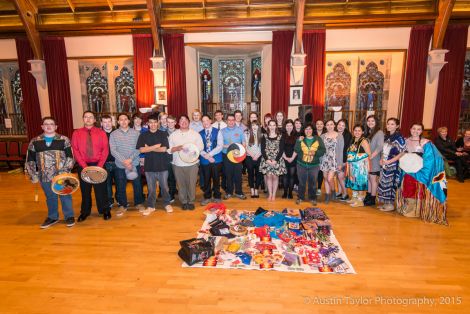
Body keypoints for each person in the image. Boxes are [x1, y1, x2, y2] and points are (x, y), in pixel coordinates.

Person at [25, 117, 75, 228]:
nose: (49, 126)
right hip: (44, 176)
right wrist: (33, 174)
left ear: (56, 126)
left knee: (65, 195)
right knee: (50, 197)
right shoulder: (35, 141)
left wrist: (63, 172)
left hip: (62, 175)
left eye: (51, 124)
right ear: (42, 126)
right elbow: (30, 159)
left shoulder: (64, 139)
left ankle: (69, 216)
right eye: (46, 124)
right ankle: (52, 217)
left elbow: (70, 158)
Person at [396, 123, 448, 224]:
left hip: (419, 172)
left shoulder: (426, 143)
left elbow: (433, 158)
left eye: (418, 129)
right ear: (410, 129)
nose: (416, 131)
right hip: (406, 171)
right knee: (407, 189)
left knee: (417, 190)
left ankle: (415, 210)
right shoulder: (404, 141)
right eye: (414, 128)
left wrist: (421, 169)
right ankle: (408, 207)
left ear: (421, 131)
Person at [71, 111, 111, 222]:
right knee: (85, 190)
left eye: (91, 117)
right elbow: (76, 150)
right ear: (83, 119)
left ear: (94, 120)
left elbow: (105, 150)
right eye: (86, 117)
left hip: (99, 165)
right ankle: (85, 212)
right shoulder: (76, 133)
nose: (88, 119)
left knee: (101, 190)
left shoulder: (101, 133)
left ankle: (105, 210)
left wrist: (99, 166)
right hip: (83, 166)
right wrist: (84, 166)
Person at [136, 113, 174, 215]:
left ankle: (167, 204)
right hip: (149, 166)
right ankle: (151, 206)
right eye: (151, 123)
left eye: (155, 122)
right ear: (148, 123)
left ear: (158, 123)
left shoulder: (163, 134)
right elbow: (141, 150)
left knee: (165, 187)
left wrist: (149, 147)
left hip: (162, 165)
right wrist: (155, 146)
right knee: (151, 188)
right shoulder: (143, 135)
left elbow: (164, 149)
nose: (153, 124)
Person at [109, 113, 145, 216]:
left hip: (134, 163)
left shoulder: (136, 133)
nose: (124, 121)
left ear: (129, 121)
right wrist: (124, 161)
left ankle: (138, 203)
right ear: (118, 122)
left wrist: (130, 160)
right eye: (121, 120)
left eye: (125, 119)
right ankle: (122, 205)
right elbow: (113, 150)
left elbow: (139, 148)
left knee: (137, 184)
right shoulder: (113, 134)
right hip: (120, 165)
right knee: (120, 186)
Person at [168, 115, 204, 210]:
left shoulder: (195, 134)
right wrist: (176, 148)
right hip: (177, 164)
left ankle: (191, 201)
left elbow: (201, 147)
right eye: (181, 120)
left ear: (189, 122)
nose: (183, 122)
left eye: (185, 120)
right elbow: (168, 149)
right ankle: (184, 201)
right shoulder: (173, 135)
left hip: (192, 163)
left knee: (191, 183)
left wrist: (193, 150)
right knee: (180, 184)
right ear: (178, 123)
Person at [377, 118, 406, 212]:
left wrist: (390, 161)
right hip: (384, 163)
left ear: (397, 126)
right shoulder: (387, 136)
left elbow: (402, 153)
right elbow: (383, 150)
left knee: (390, 183)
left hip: (393, 165)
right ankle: (385, 203)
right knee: (383, 183)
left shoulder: (399, 138)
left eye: (392, 124)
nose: (389, 126)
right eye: (388, 124)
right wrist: (381, 158)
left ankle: (390, 205)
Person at [294, 123, 326, 205]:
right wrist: (298, 141)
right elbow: (296, 150)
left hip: (314, 165)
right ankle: (300, 197)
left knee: (313, 182)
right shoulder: (301, 139)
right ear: (304, 131)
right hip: (301, 164)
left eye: (310, 129)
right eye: (306, 129)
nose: (308, 131)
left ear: (313, 130)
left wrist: (315, 152)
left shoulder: (318, 139)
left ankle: (312, 198)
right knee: (301, 182)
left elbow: (323, 150)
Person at [199, 115, 223, 205]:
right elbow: (199, 147)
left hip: (216, 159)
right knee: (206, 179)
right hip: (205, 159)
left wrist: (210, 155)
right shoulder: (200, 133)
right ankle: (207, 196)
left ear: (210, 121)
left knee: (216, 178)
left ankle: (217, 196)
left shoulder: (218, 132)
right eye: (203, 121)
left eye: (207, 120)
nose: (205, 123)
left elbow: (220, 146)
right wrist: (207, 156)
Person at [260, 120, 286, 201]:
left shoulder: (280, 136)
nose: (272, 127)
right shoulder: (264, 136)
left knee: (275, 176)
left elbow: (281, 150)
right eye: (270, 125)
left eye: (273, 125)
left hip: (277, 159)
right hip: (266, 159)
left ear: (276, 126)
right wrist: (267, 160)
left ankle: (274, 194)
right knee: (268, 176)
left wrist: (276, 160)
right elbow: (262, 149)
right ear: (268, 126)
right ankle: (270, 194)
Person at [222, 114, 246, 200]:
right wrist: (229, 146)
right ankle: (229, 192)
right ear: (226, 121)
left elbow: (243, 143)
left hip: (238, 156)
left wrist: (241, 150)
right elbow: (220, 145)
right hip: (226, 155)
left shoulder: (240, 130)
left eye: (232, 120)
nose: (231, 122)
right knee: (228, 174)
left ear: (234, 121)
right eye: (229, 120)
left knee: (238, 175)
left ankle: (239, 192)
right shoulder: (222, 131)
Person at [345, 125, 371, 207]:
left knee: (360, 181)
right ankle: (354, 197)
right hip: (352, 164)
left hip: (360, 165)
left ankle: (360, 200)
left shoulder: (364, 141)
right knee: (353, 180)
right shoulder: (353, 140)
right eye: (355, 130)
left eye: (359, 130)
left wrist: (357, 157)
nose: (357, 132)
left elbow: (369, 154)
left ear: (362, 132)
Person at [320, 119, 344, 204]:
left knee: (330, 178)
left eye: (331, 124)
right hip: (324, 159)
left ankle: (333, 191)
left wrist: (340, 163)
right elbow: (320, 149)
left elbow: (341, 150)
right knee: (325, 178)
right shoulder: (322, 136)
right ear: (325, 126)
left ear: (334, 125)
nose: (329, 126)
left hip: (334, 160)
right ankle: (327, 195)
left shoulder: (339, 136)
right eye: (328, 125)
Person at [364, 115, 384, 206]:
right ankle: (368, 195)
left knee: (373, 179)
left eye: (372, 121)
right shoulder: (369, 132)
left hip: (374, 159)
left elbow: (380, 146)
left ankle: (372, 198)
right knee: (368, 178)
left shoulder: (379, 132)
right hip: (368, 159)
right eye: (368, 121)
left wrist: (371, 156)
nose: (370, 123)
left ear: (376, 122)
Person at [101, 115, 117, 208]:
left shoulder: (117, 133)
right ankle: (109, 200)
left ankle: (119, 199)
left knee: (119, 183)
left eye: (109, 122)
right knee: (107, 184)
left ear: (112, 122)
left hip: (117, 162)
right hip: (105, 163)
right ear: (101, 123)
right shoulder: (99, 134)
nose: (107, 124)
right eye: (105, 122)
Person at [245, 120, 263, 198]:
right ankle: (252, 189)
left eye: (256, 125)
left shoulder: (262, 135)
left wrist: (257, 155)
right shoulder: (247, 134)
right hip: (249, 157)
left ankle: (256, 189)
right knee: (250, 174)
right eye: (253, 125)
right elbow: (245, 147)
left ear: (259, 126)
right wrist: (252, 155)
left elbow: (263, 148)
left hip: (259, 157)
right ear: (251, 127)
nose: (254, 127)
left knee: (258, 174)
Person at [336, 119, 352, 201]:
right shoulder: (336, 133)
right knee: (338, 177)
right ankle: (339, 192)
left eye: (343, 125)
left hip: (343, 159)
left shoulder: (348, 135)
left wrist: (345, 162)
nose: (340, 126)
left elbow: (347, 149)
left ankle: (345, 194)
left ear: (345, 127)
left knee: (341, 177)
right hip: (336, 158)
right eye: (339, 124)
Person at [281, 119, 298, 199]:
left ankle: (290, 193)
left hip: (293, 158)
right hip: (284, 158)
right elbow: (281, 148)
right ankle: (285, 192)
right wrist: (286, 158)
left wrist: (292, 158)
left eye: (291, 125)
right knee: (285, 176)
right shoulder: (282, 135)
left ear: (293, 126)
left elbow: (297, 148)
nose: (289, 127)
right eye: (287, 125)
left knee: (292, 176)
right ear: (285, 126)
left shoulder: (296, 135)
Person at [315, 119, 326, 196]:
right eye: (317, 124)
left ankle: (319, 188)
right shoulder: (312, 133)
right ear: (315, 125)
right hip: (314, 156)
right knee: (314, 172)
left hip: (323, 156)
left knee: (320, 173)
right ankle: (313, 187)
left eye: (321, 124)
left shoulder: (326, 134)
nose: (319, 125)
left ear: (323, 125)